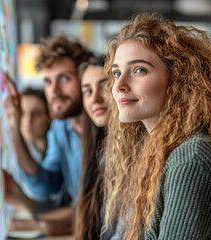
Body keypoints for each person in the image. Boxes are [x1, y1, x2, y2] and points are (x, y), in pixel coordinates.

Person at [103, 13, 211, 239]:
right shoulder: (157, 151)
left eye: (139, 70)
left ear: (178, 79)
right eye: (116, 73)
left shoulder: (191, 157)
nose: (119, 85)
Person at [4, 34, 94, 234]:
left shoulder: (106, 130)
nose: (54, 90)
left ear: (83, 78)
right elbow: (45, 187)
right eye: (47, 81)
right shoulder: (60, 128)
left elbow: (98, 212)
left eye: (64, 78)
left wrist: (41, 225)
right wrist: (14, 130)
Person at [74, 56, 122, 240]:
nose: (95, 98)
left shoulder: (135, 152)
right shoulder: (102, 150)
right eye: (87, 91)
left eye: (104, 85)